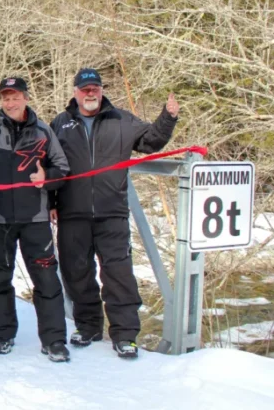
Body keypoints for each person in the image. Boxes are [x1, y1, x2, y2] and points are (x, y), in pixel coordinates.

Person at [50, 68, 179, 360]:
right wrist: (51, 201)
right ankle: (89, 327)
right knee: (76, 273)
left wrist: (168, 118)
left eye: (95, 88)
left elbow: (150, 142)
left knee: (118, 274)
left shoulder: (121, 119)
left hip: (112, 213)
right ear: (75, 92)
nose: (90, 93)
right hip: (72, 213)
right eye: (85, 89)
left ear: (102, 90)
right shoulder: (60, 123)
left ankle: (125, 336)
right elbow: (51, 165)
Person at [0, 77, 72, 362]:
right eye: (5, 97)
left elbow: (62, 168)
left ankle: (54, 340)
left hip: (35, 219)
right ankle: (3, 334)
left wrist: (46, 178)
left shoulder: (44, 131)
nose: (10, 102)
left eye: (15, 97)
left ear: (26, 97)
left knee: (47, 279)